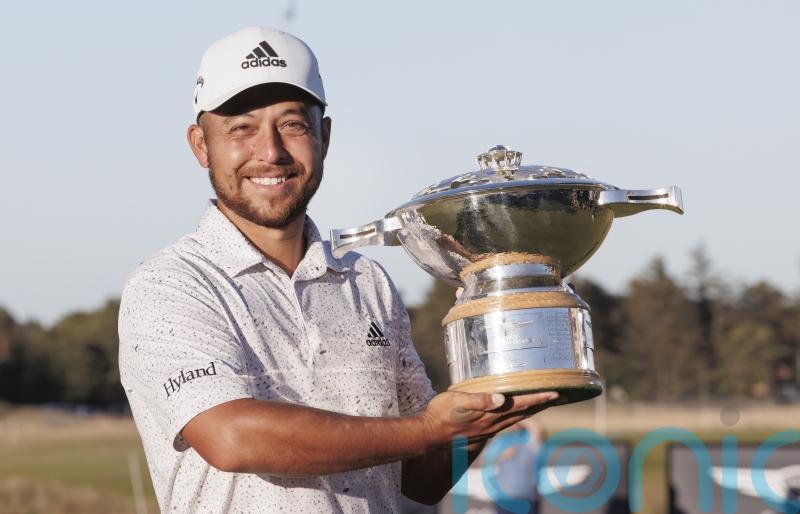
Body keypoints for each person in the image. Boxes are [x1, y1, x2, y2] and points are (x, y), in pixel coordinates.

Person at [118, 26, 558, 513]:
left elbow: (421, 480)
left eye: (292, 125)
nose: (271, 152)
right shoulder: (170, 285)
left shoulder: (366, 282)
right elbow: (231, 438)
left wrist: (486, 410)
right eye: (241, 127)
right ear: (201, 145)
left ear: (324, 137)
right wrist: (428, 430)